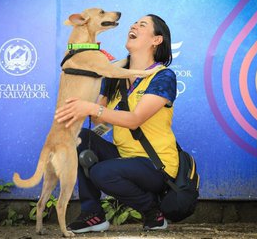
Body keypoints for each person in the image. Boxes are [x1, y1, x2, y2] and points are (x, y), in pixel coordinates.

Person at [55, 14, 178, 233]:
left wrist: (92, 108)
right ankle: (92, 214)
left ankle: (153, 212)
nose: (133, 25)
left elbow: (135, 120)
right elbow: (96, 118)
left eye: (142, 25)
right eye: (134, 23)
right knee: (80, 138)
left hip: (156, 165)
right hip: (123, 156)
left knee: (101, 172)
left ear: (156, 40)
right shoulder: (114, 75)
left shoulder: (163, 76)